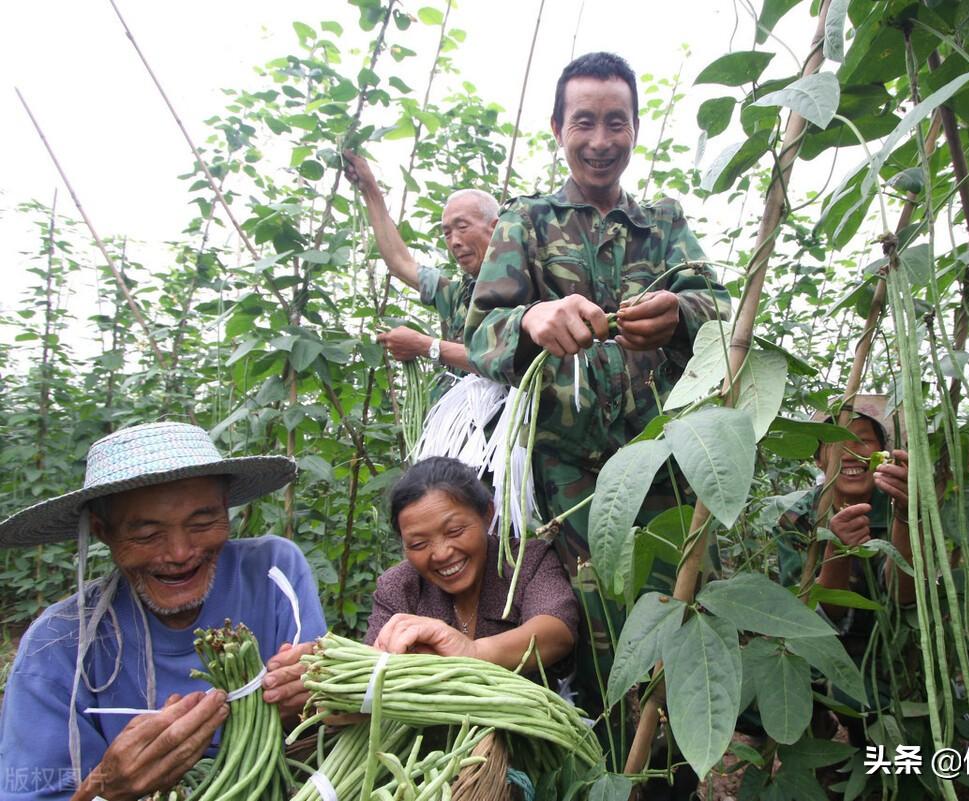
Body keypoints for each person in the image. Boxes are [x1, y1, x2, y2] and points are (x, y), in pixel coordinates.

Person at [464, 51, 731, 563]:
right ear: (558, 128)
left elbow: (721, 311)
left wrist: (679, 315)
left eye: (617, 123)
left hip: (666, 465)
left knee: (677, 610)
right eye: (583, 122)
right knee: (577, 622)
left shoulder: (663, 223)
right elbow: (480, 334)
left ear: (636, 128)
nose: (601, 141)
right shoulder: (526, 220)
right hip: (565, 476)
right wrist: (529, 319)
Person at [0, 422, 326, 801]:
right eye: (147, 534)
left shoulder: (272, 573)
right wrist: (106, 788)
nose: (179, 554)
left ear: (226, 510)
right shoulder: (57, 647)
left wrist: (311, 702)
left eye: (202, 523)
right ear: (103, 531)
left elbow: (318, 735)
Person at [777, 395, 913, 745]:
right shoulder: (796, 517)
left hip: (883, 649)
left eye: (864, 440)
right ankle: (815, 733)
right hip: (817, 643)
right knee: (765, 699)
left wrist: (906, 517)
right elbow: (805, 618)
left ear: (883, 451)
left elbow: (905, 599)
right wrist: (835, 549)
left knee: (868, 705)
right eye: (836, 443)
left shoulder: (902, 500)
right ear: (819, 457)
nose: (850, 453)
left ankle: (864, 742)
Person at [365, 457, 578, 674]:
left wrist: (472, 652)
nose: (441, 554)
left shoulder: (526, 562)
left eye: (455, 531)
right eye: (419, 544)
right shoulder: (399, 587)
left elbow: (557, 632)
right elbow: (368, 671)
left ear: (487, 514)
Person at [342, 150, 497, 380]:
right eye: (447, 233)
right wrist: (370, 190)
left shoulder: (526, 287)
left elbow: (507, 360)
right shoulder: (457, 295)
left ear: (495, 227)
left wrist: (426, 346)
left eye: (462, 227)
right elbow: (399, 262)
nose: (454, 241)